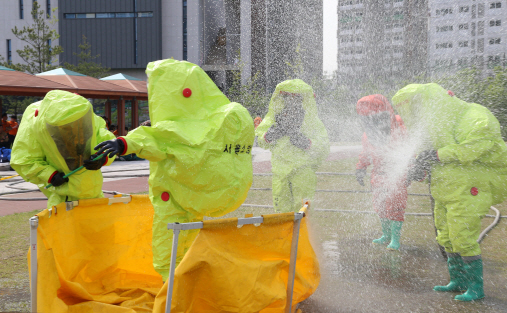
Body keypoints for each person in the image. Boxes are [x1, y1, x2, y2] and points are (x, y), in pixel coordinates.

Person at [95, 59, 254, 281]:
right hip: (195, 198)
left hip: (172, 201)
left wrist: (122, 144)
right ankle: (187, 290)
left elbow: (154, 139)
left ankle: (172, 297)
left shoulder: (176, 129)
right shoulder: (210, 122)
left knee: (167, 256)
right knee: (189, 251)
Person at [393, 83, 507, 301]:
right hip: (443, 191)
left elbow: (474, 147)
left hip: (469, 189)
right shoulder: (434, 126)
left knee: (463, 236)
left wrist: (436, 155)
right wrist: (418, 168)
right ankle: (458, 280)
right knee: (446, 236)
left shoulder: (475, 116)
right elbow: (427, 153)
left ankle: (476, 288)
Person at [10, 90, 117, 209]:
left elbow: (106, 140)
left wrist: (102, 157)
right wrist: (50, 175)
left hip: (94, 194)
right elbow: (24, 159)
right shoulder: (35, 120)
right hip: (62, 200)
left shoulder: (80, 110)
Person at [255, 80, 329, 212]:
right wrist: (269, 136)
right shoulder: (273, 119)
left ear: (302, 99)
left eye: (296, 97)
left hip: (303, 170)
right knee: (281, 211)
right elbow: (260, 138)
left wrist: (307, 143)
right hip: (280, 173)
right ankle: (285, 234)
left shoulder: (311, 121)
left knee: (302, 211)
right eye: (287, 97)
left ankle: (302, 233)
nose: (291, 101)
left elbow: (323, 146)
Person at [355, 94, 408, 251]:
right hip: (378, 173)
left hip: (396, 173)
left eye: (375, 117)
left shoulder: (399, 127)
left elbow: (409, 150)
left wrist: (412, 169)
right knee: (380, 205)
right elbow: (366, 153)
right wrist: (361, 167)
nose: (372, 121)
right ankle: (386, 235)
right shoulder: (368, 135)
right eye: (367, 118)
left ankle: (395, 239)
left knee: (395, 205)